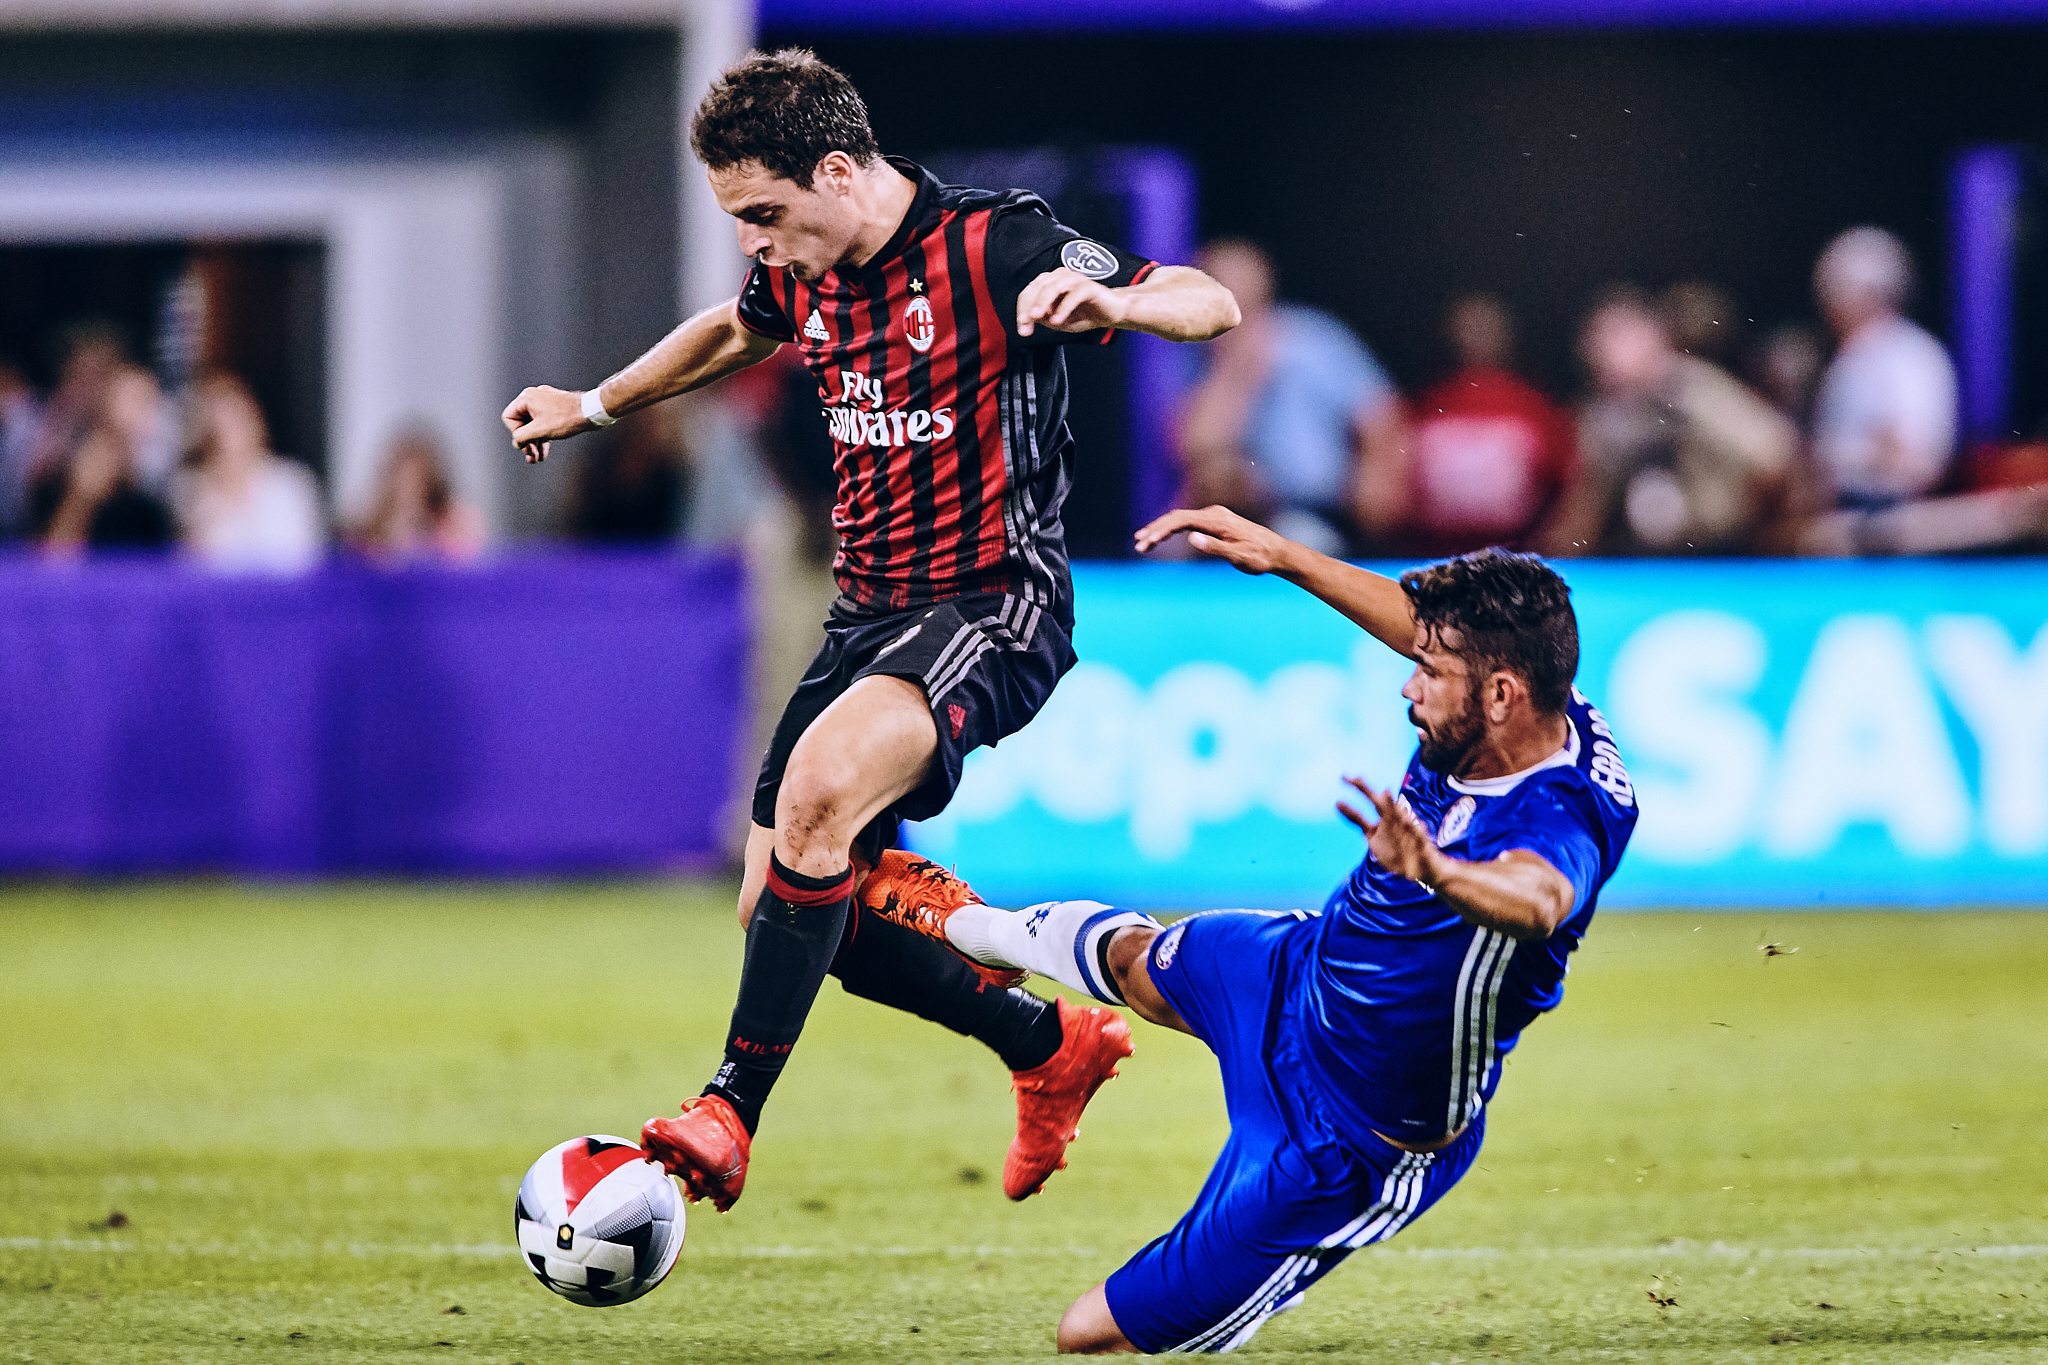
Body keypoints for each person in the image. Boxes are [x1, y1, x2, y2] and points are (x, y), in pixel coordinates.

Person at [499, 49, 1238, 1211]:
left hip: (994, 600)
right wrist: (594, 405)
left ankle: (727, 1112)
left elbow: (1208, 297)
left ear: (838, 172)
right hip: (865, 617)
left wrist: (1121, 301)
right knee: (784, 906)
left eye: (762, 214)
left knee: (820, 798)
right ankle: (1044, 1045)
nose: (752, 240)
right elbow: (729, 331)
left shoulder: (997, 245)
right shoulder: (804, 269)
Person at [858, 503, 1638, 1354]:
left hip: (1348, 1136)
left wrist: (1440, 872)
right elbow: (1419, 622)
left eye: (1428, 670)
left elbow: (1539, 898)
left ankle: (1264, 1275)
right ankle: (963, 920)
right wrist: (1283, 555)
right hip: (1299, 971)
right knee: (1139, 963)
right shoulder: (1516, 696)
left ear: (1500, 695)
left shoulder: (1562, 812)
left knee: (1089, 1335)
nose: (1408, 682)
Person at [1175, 238, 1404, 555]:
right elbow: (1196, 447)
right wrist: (1238, 370)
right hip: (1226, 515)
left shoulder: (1310, 339)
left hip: (1309, 514)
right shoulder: (1191, 354)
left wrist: (1377, 484)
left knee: (1303, 540)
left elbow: (1379, 414)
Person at [1546, 288, 1795, 555]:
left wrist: (1757, 537)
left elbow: (1775, 457)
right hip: (1643, 561)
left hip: (1717, 555)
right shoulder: (1606, 413)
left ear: (1655, 337)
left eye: (1618, 336)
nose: (1601, 352)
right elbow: (1587, 505)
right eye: (1598, 340)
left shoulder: (1695, 390)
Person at [1397, 294, 1574, 556]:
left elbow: (1571, 488)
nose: (1477, 336)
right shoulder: (1426, 406)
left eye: (1485, 328)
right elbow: (1395, 489)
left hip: (1515, 562)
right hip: (1432, 558)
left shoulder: (1536, 409)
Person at [1809, 227, 1957, 511]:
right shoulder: (1856, 354)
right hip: (1850, 514)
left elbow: (1918, 463)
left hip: (1886, 522)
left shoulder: (1908, 356)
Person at [176, 374, 325, 575]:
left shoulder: (290, 483)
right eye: (217, 423)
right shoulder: (189, 491)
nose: (226, 431)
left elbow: (308, 559)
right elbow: (189, 566)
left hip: (284, 600)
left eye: (235, 419)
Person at [28, 363, 177, 554]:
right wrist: (81, 498)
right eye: (139, 402)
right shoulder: (58, 474)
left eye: (152, 403)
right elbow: (50, 564)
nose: (149, 418)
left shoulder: (154, 489)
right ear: (105, 405)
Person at [349, 426, 486, 564]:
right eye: (402, 476)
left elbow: (466, 564)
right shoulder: (371, 521)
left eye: (416, 477)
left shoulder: (455, 518)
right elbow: (370, 568)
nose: (409, 485)